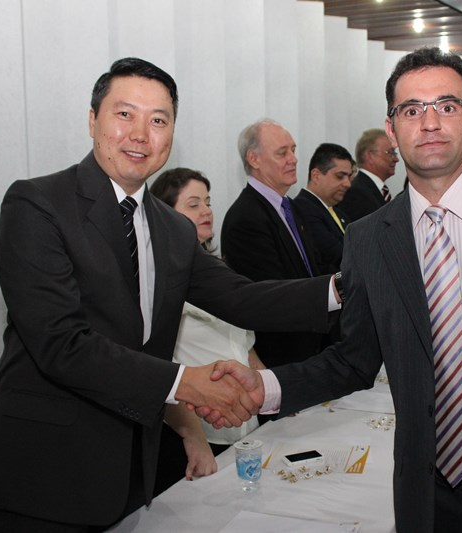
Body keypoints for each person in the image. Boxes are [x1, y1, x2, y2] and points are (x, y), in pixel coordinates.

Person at [207, 47, 462, 532]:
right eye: (411, 110)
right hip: (429, 502)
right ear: (391, 130)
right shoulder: (368, 239)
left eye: (447, 106)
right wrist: (266, 386)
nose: (429, 123)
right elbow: (353, 360)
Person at [0, 58, 337, 532]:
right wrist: (185, 383)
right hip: (40, 479)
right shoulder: (38, 204)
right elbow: (61, 344)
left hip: (131, 474)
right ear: (93, 120)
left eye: (158, 120)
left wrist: (345, 288)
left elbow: (242, 298)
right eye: (125, 114)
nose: (140, 134)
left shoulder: (173, 228)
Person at [150, 167, 264, 456]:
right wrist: (194, 437)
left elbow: (244, 345)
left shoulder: (220, 270)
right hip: (199, 432)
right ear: (166, 215)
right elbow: (163, 367)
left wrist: (275, 392)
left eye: (208, 202)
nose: (206, 211)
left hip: (246, 423)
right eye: (194, 204)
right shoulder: (160, 281)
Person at [221, 119, 329, 367]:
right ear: (254, 159)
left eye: (293, 150)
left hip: (312, 349)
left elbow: (311, 270)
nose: (294, 159)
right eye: (282, 153)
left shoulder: (290, 208)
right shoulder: (245, 218)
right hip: (280, 357)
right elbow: (270, 295)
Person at [293, 143, 356, 274]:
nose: (347, 184)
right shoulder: (302, 209)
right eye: (340, 176)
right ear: (316, 175)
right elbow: (338, 255)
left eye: (349, 176)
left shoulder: (339, 212)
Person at [337, 128, 397, 221]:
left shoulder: (370, 190)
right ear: (370, 156)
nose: (396, 159)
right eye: (390, 152)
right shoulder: (356, 193)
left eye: (394, 153)